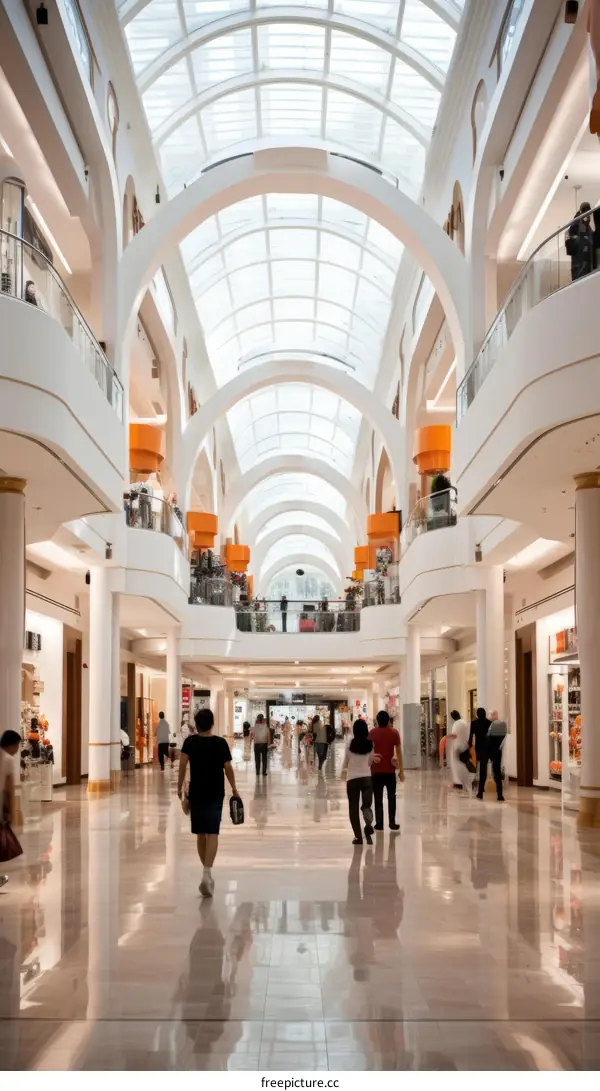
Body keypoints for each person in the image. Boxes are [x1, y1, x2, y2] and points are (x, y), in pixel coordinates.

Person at [177, 708, 240, 897]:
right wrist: (234, 788)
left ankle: (205, 872)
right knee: (212, 832)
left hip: (196, 792)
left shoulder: (190, 742)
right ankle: (207, 873)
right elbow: (228, 767)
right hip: (215, 792)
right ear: (212, 723)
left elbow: (182, 765)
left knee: (200, 832)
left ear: (196, 724)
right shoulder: (220, 743)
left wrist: (179, 786)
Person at [341, 719, 379, 845]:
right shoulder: (370, 745)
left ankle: (358, 837)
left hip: (352, 780)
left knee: (353, 808)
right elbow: (369, 763)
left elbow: (345, 762)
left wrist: (342, 772)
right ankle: (368, 824)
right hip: (367, 779)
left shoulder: (349, 745)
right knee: (366, 805)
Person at [369, 711, 403, 831]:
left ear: (377, 721)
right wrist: (401, 770)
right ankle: (392, 822)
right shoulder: (394, 733)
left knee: (377, 797)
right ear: (388, 720)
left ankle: (379, 823)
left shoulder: (372, 733)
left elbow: (368, 752)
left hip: (376, 771)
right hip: (390, 771)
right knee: (391, 797)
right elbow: (399, 752)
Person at [0, 729, 21, 888]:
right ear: (12, 744)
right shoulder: (7, 760)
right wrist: (12, 813)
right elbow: (9, 789)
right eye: (18, 745)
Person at [477, 709, 508, 802]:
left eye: (492, 714)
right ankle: (500, 794)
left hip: (487, 750)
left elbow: (487, 737)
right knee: (497, 772)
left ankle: (480, 792)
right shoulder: (502, 724)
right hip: (497, 751)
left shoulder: (491, 724)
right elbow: (503, 738)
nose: (490, 716)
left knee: (484, 771)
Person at [566, 201, 595, 281]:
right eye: (585, 211)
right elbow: (572, 243)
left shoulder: (586, 226)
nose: (588, 214)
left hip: (585, 262)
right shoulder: (577, 224)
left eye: (588, 211)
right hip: (580, 263)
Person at [447, 709, 472, 795]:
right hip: (464, 745)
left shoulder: (456, 724)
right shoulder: (464, 722)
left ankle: (459, 782)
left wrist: (448, 736)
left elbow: (454, 735)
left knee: (457, 765)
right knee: (463, 763)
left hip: (457, 746)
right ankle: (465, 783)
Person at [469, 706, 491, 790]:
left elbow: (470, 736)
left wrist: (470, 745)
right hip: (487, 747)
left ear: (477, 714)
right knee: (484, 766)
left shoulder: (474, 723)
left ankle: (478, 784)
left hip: (478, 747)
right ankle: (482, 786)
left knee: (478, 764)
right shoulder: (489, 723)